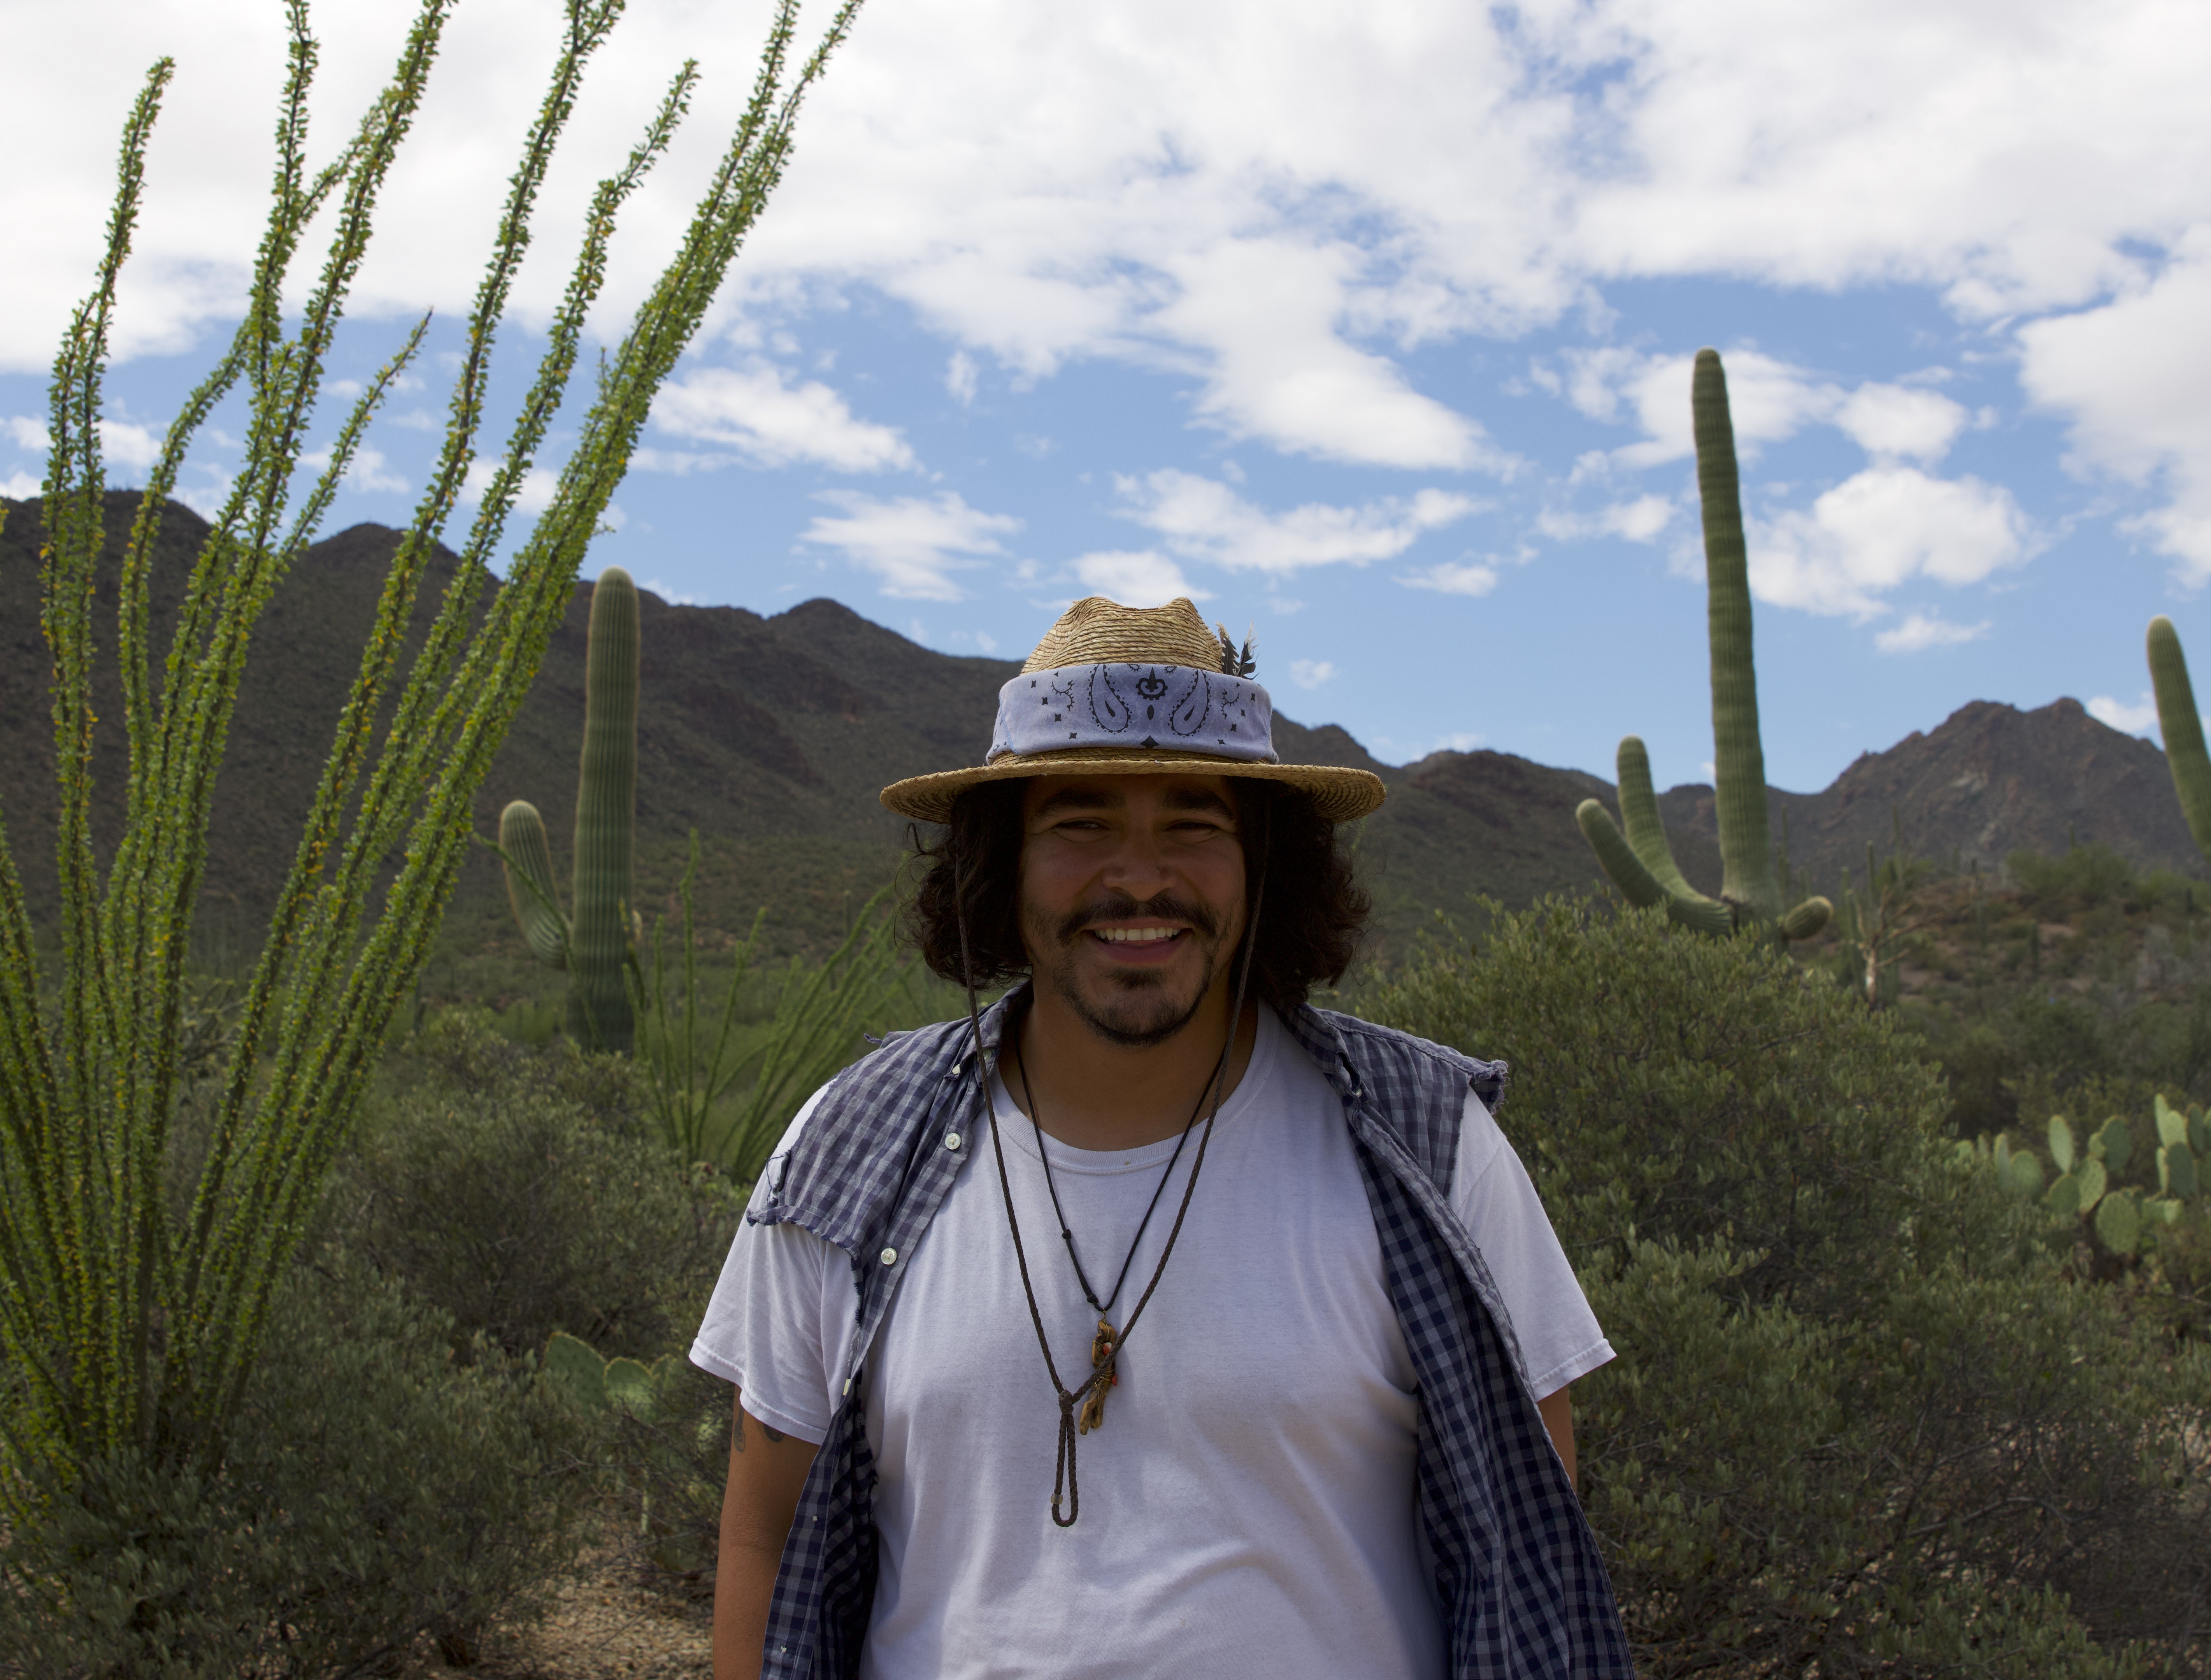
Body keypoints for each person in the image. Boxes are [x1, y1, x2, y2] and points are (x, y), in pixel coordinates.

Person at [691, 595, 1631, 1679]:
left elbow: (1531, 1550)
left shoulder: (1430, 1147)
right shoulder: (848, 1148)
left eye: (1194, 824)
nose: (1141, 878)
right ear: (1002, 865)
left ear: (1263, 866)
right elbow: (764, 1537)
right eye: (1081, 823)